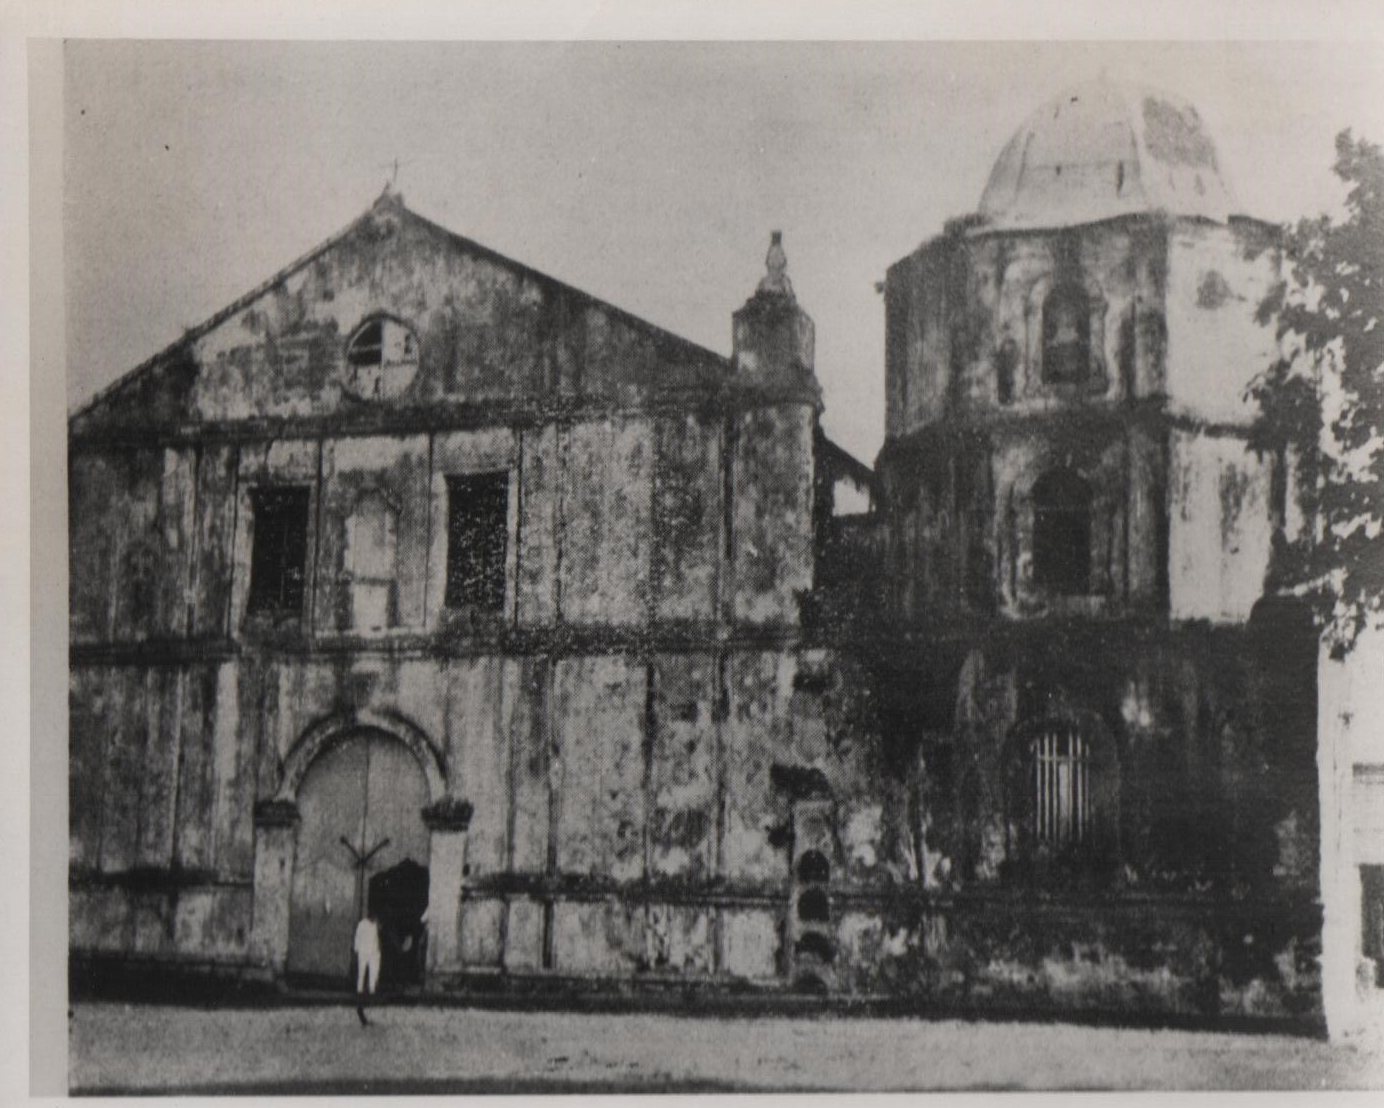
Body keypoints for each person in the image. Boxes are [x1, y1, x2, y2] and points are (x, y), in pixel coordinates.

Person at [353, 911, 381, 1026]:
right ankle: (368, 990)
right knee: (367, 973)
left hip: (366, 952)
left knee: (364, 973)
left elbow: (358, 937)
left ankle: (365, 990)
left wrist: (357, 949)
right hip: (367, 952)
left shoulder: (365, 924)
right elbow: (360, 938)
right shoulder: (366, 925)